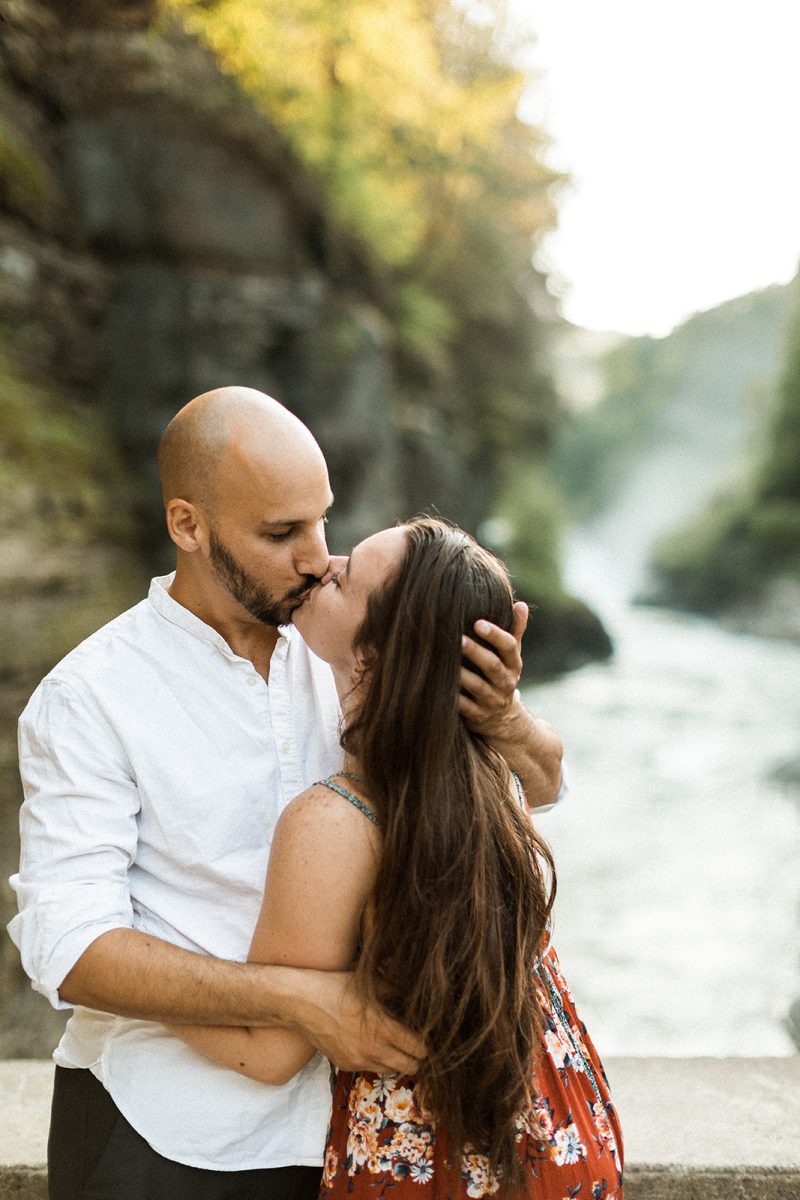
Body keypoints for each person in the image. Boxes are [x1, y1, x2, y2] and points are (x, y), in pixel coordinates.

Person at [8, 388, 565, 1200]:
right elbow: (65, 941)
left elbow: (536, 790)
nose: (316, 557)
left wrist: (506, 717)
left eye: (322, 521)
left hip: (362, 1138)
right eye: (281, 533)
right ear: (188, 525)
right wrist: (299, 1000)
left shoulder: (352, 640)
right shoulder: (90, 696)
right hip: (163, 1137)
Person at [170, 516, 623, 1199]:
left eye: (346, 578)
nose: (326, 563)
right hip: (563, 1127)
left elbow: (267, 1052)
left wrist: (118, 983)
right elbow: (550, 777)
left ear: (373, 657)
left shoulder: (336, 821)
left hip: (435, 1161)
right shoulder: (495, 772)